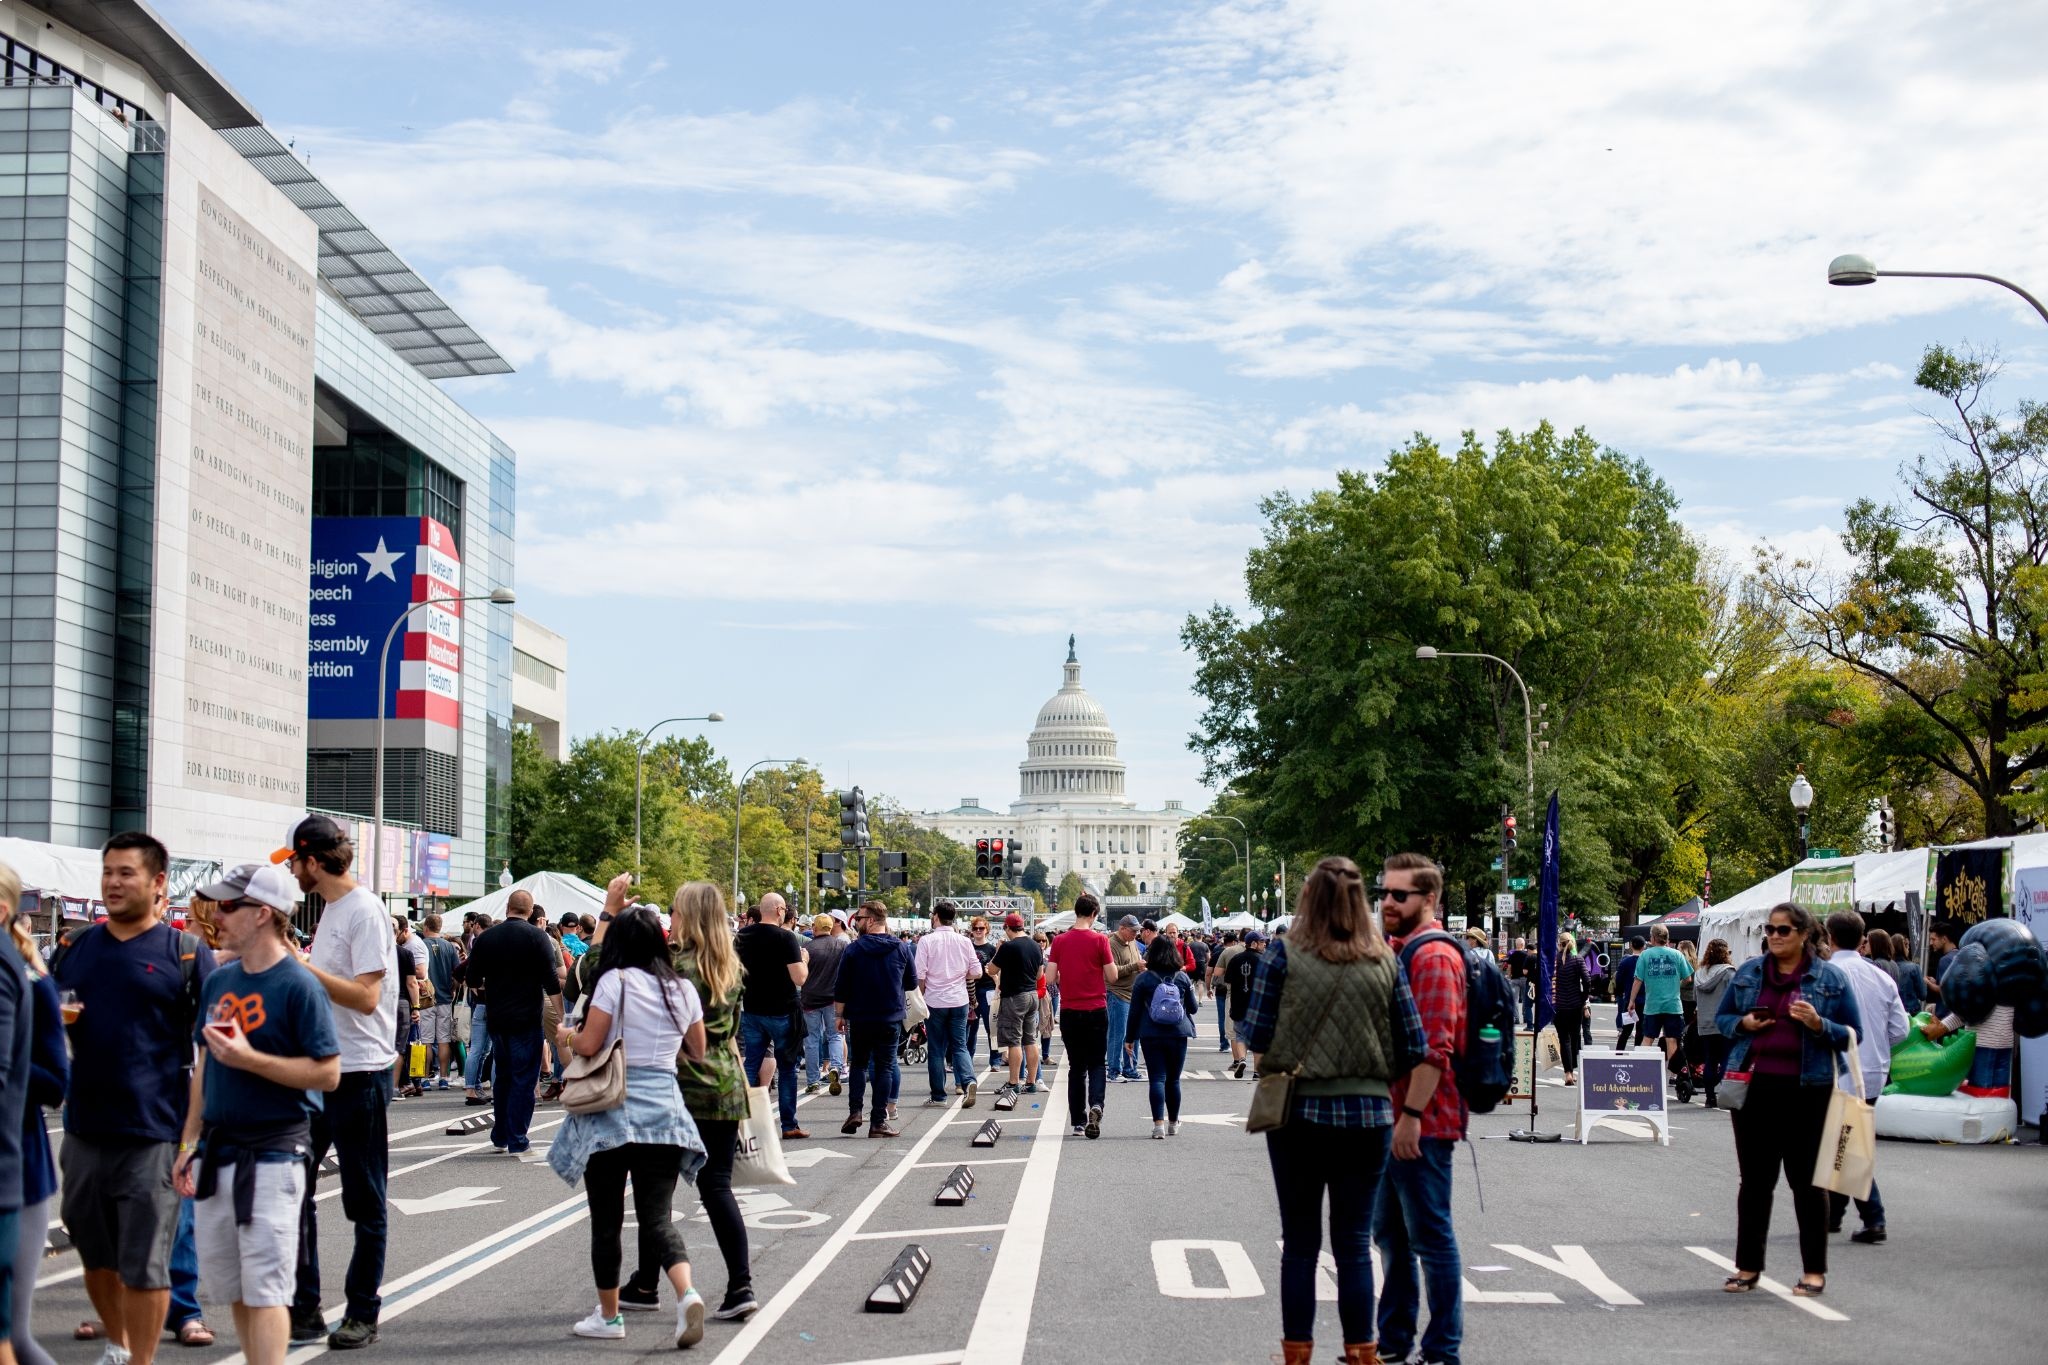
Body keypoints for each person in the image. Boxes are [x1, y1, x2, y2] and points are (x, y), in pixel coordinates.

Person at [1248, 857, 1424, 1365]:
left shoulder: (1284, 955)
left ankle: (1297, 1354)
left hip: (1298, 1111)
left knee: (1300, 1242)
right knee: (1353, 1243)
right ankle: (1362, 1351)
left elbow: (1256, 1034)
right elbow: (1413, 1043)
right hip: (1368, 1114)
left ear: (1308, 900)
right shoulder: (1384, 961)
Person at [57, 833, 217, 1365]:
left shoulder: (189, 954)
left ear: (157, 883)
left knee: (148, 1262)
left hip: (155, 1132)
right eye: (108, 872)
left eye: (126, 872)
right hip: (83, 1128)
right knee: (95, 1253)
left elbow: (210, 1051)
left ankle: (139, 1359)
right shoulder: (76, 949)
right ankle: (117, 1342)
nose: (114, 882)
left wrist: (192, 1138)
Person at [174, 864, 340, 1365]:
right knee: (237, 1290)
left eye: (228, 906)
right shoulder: (220, 980)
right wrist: (188, 1143)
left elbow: (328, 1073)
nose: (216, 917)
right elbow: (205, 1064)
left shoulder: (298, 985)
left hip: (274, 1152)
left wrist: (251, 1060)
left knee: (267, 1288)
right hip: (217, 1151)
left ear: (263, 914)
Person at [549, 904, 709, 1347]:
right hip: (663, 1108)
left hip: (611, 1109)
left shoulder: (612, 984)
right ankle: (687, 1292)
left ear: (618, 943)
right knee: (657, 1216)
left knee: (607, 1219)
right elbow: (697, 1049)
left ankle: (609, 1316)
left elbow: (590, 1042)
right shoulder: (681, 989)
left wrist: (565, 1036)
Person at [281, 815, 395, 1351]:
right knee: (293, 1188)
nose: (293, 874)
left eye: (294, 863)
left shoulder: (364, 910)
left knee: (364, 1200)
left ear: (313, 859)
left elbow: (367, 997)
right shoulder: (330, 911)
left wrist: (302, 970)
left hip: (362, 1073)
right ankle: (304, 1309)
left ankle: (362, 1312)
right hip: (324, 1071)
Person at [620, 879, 757, 1323]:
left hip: (677, 1083)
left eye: (675, 912)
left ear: (689, 917)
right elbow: (731, 1030)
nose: (670, 919)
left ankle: (645, 1282)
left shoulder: (675, 967)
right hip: (725, 1082)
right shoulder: (731, 966)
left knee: (653, 1191)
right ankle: (741, 1284)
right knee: (717, 1186)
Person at [1715, 902, 1862, 1299]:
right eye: (1770, 929)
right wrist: (1743, 1023)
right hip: (1755, 1089)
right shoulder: (1748, 974)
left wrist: (1818, 1023)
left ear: (1803, 934)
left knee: (1808, 1185)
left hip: (1808, 1090)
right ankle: (1748, 1267)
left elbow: (1853, 1033)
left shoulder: (1829, 979)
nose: (1775, 936)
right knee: (1755, 1183)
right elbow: (1723, 1020)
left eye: (1784, 930)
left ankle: (1814, 1271)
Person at [1374, 853, 1465, 1365]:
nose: (1388, 901)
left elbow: (1436, 1050)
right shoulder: (1397, 949)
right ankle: (1393, 1342)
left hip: (1422, 1120)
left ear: (1428, 900)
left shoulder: (1432, 958)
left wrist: (1410, 1116)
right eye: (1384, 892)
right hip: (1391, 1114)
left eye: (1399, 895)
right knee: (1390, 1235)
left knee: (1430, 1237)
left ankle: (1441, 1350)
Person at [7, 857, 65, 1365]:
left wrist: (8, 1064)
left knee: (14, 1338)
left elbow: (55, 1084)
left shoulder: (32, 981)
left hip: (20, 1169)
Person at [1820, 911, 1908, 1245]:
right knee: (1846, 1141)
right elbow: (1899, 1030)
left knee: (1847, 1144)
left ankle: (1873, 1217)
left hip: (1835, 1070)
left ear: (1829, 937)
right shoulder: (1882, 978)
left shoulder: (1826, 975)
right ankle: (1835, 1214)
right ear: (1863, 940)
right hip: (1873, 1070)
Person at [461, 890, 562, 1158]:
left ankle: (501, 1135)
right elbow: (551, 980)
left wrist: (491, 984)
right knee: (524, 1079)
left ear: (507, 908)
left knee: (503, 1076)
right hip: (527, 1017)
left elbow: (471, 979)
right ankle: (518, 1138)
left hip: (497, 1016)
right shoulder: (538, 937)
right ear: (530, 912)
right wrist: (563, 1015)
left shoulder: (486, 938)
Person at [834, 901, 916, 1138]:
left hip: (859, 1017)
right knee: (885, 1068)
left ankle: (855, 1112)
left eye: (858, 918)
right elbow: (911, 983)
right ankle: (878, 1121)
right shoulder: (901, 948)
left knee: (858, 1064)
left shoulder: (853, 949)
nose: (856, 923)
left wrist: (839, 1015)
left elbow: (841, 987)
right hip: (890, 1016)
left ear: (870, 920)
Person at [733, 894, 807, 1141]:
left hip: (752, 1009)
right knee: (787, 1068)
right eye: (785, 909)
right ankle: (788, 1124)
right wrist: (804, 961)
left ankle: (741, 1121)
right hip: (782, 1010)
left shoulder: (742, 936)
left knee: (751, 1063)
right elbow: (799, 978)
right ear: (778, 910)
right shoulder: (785, 938)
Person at [1045, 895, 1116, 1139]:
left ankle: (1077, 1120)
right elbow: (1113, 976)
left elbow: (1050, 976)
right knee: (1097, 1063)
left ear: (1076, 912)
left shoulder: (1061, 941)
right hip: (1096, 1007)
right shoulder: (1100, 940)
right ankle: (1096, 1104)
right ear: (1094, 914)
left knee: (1076, 1067)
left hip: (1070, 1010)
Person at [1124, 936, 1198, 1139]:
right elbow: (1193, 1008)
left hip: (1151, 1033)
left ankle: (1158, 1125)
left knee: (1156, 1078)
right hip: (1178, 1032)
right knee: (1173, 1080)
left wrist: (1129, 1038)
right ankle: (1174, 1122)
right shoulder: (1182, 978)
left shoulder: (1143, 979)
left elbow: (1135, 1011)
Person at [913, 901, 981, 1109]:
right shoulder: (964, 941)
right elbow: (977, 972)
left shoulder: (926, 941)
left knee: (936, 1049)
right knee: (959, 1044)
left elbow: (920, 975)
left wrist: (922, 995)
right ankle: (968, 1081)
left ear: (936, 917)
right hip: (959, 999)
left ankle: (938, 1094)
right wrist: (960, 975)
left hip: (935, 1000)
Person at [1628, 925, 1693, 1093]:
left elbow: (1638, 980)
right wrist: (1676, 985)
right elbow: (1688, 978)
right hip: (1673, 1005)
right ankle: (1675, 1075)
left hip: (1653, 1005)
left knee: (1648, 1038)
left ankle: (1641, 1072)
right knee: (1672, 1040)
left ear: (1653, 938)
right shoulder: (1677, 954)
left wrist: (1631, 1001)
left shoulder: (1645, 955)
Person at [989, 915, 1043, 1100]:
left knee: (1014, 1041)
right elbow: (1039, 974)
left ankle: (1014, 1082)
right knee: (1030, 1039)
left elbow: (991, 970)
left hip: (1014, 996)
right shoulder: (1035, 945)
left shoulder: (1008, 947)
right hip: (1032, 995)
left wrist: (998, 952)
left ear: (1007, 928)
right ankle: (1031, 1081)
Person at [799, 915, 847, 1096]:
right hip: (834, 999)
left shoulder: (807, 948)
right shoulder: (841, 946)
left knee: (811, 1040)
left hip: (810, 999)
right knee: (834, 1035)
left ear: (815, 928)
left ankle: (813, 1082)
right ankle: (835, 1066)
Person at [416, 917, 461, 1090]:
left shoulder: (421, 945)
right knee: (444, 1040)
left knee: (426, 1040)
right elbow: (457, 972)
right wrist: (453, 989)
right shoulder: (449, 946)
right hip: (445, 998)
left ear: (426, 927)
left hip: (426, 999)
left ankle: (425, 1078)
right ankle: (444, 1077)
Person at [1693, 939, 1738, 1107]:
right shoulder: (1729, 973)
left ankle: (1709, 1097)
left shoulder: (1699, 974)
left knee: (1710, 1059)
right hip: (1724, 1022)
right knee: (1727, 1058)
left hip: (1704, 1022)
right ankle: (1721, 1088)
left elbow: (1694, 998)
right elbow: (1734, 997)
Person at [460, 913, 497, 1108]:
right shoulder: (495, 949)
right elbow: (462, 972)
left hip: (482, 1004)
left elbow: (461, 972)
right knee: (486, 1050)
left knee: (480, 1050)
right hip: (491, 1005)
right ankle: (475, 1089)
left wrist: (477, 986)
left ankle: (473, 1088)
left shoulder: (480, 948)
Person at [390, 917, 427, 1099]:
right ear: (397, 933)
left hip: (377, 1002)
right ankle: (394, 1087)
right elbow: (412, 983)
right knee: (399, 1047)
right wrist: (416, 1008)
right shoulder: (405, 954)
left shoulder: (373, 951)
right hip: (401, 1002)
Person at [1107, 916, 1145, 1082]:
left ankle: (1130, 1068)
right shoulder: (1111, 944)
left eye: (1137, 931)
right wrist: (1135, 967)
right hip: (1118, 994)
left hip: (1133, 994)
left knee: (1133, 1034)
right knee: (1118, 1034)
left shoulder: (1133, 943)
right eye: (1133, 930)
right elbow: (1112, 973)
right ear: (1122, 928)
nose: (1136, 934)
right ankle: (1114, 1070)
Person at [1226, 930, 1267, 1078]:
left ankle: (1242, 1059)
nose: (1264, 944)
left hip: (1239, 1003)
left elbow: (1228, 980)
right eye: (1262, 942)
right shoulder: (1264, 960)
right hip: (1258, 1006)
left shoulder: (1236, 959)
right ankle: (1257, 1071)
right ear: (1254, 944)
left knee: (1240, 1035)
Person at [1552, 932, 1590, 1085]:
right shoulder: (1577, 960)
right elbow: (1587, 980)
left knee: (1563, 1039)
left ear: (1559, 944)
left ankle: (1567, 1072)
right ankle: (1572, 1070)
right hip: (1575, 1004)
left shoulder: (1554, 961)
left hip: (1559, 1005)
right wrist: (1583, 997)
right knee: (1575, 1037)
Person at [966, 917, 999, 1070]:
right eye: (975, 928)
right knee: (970, 1028)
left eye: (981, 928)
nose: (978, 931)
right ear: (972, 931)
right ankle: (967, 1061)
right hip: (969, 990)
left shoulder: (992, 949)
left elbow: (998, 971)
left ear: (987, 930)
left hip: (988, 989)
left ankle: (995, 1060)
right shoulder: (967, 947)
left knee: (991, 1026)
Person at [1210, 932, 1242, 1052]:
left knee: (1222, 1018)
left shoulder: (1217, 952)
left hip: (1220, 989)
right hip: (1234, 989)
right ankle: (1241, 1044)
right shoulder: (1240, 952)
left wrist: (1208, 987)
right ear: (1234, 941)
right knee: (1237, 1018)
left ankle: (1224, 1044)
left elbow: (1209, 971)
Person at [1612, 937, 1644, 1049]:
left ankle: (1619, 1053)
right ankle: (1638, 1052)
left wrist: (1620, 994)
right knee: (1641, 1030)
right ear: (1643, 946)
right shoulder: (1646, 961)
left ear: (1631, 946)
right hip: (1644, 1000)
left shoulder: (1625, 962)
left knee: (1626, 1030)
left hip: (1629, 1000)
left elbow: (1618, 980)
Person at [1507, 936, 1534, 1030]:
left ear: (1516, 945)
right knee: (1525, 1000)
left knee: (1514, 1000)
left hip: (1514, 979)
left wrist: (1509, 976)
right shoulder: (1527, 955)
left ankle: (1516, 1018)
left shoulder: (1512, 955)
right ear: (1522, 945)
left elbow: (1509, 967)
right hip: (1525, 979)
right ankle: (1526, 1017)